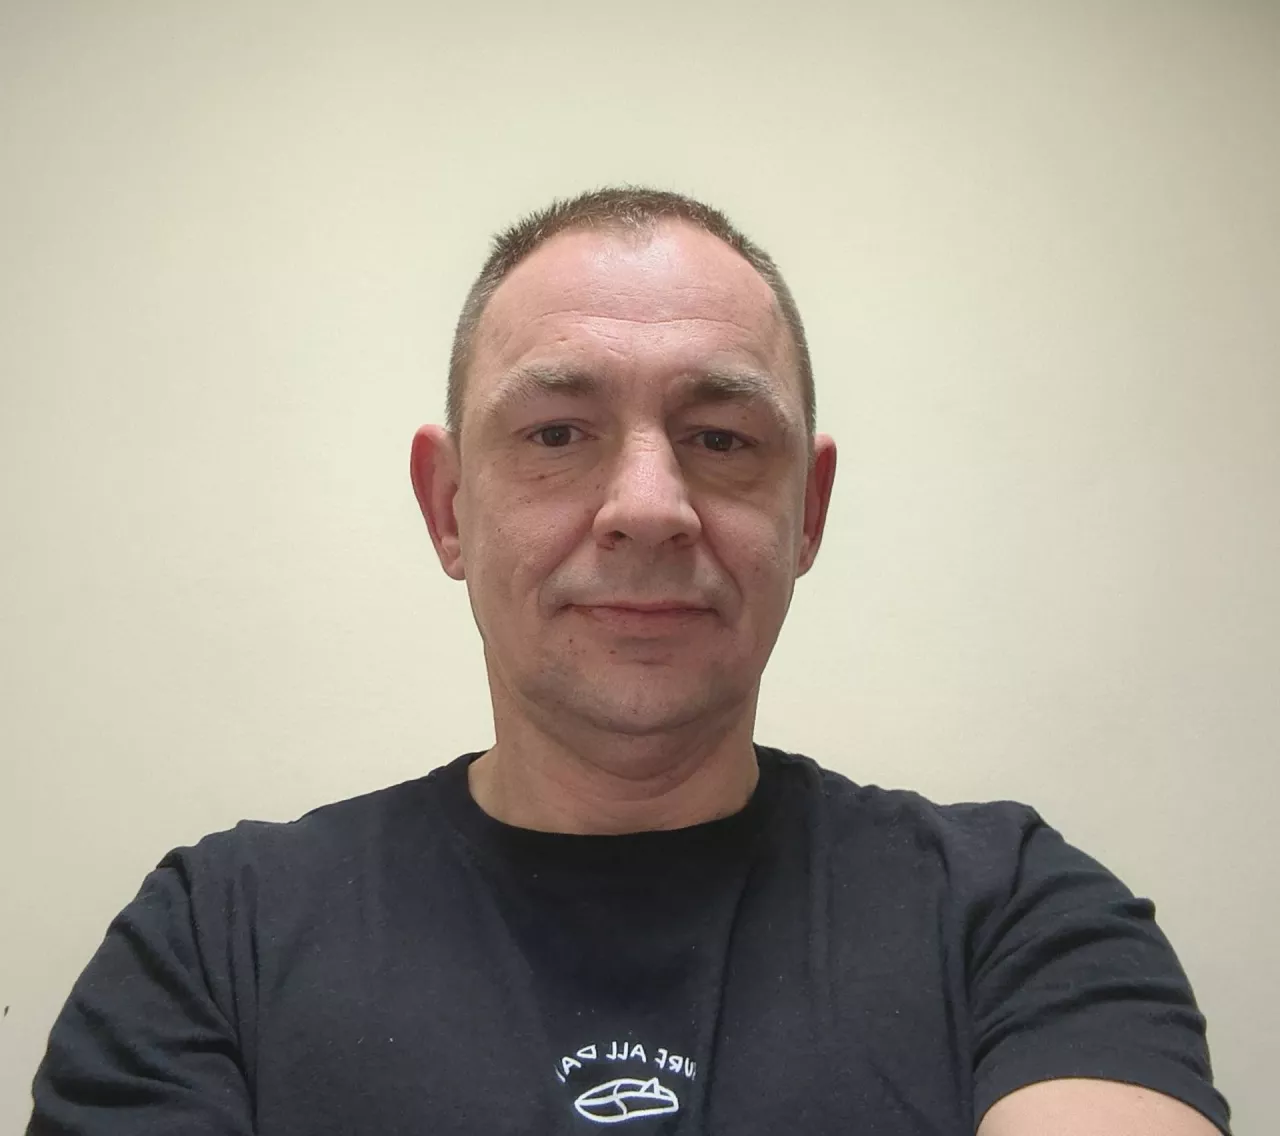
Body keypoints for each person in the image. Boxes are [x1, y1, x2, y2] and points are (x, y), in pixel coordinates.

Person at [27, 188, 1229, 1135]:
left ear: (807, 511)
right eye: (556, 432)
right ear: (448, 505)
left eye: (720, 437)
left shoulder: (1014, 917)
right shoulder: (215, 938)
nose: (648, 507)